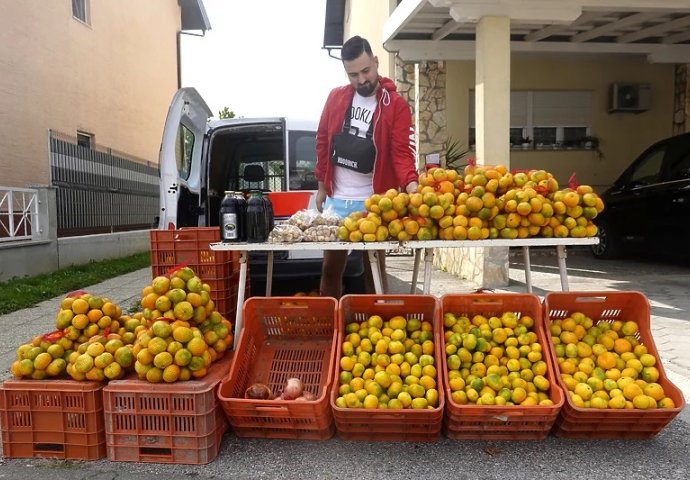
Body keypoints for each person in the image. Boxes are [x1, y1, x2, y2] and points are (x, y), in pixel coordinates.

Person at [314, 35, 419, 298]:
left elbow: (401, 153)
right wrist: (321, 187)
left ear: (375, 61)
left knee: (373, 268)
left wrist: (412, 186)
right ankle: (332, 329)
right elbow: (323, 140)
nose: (361, 79)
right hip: (337, 200)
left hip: (374, 200)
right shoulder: (336, 98)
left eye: (365, 70)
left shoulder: (395, 105)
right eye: (353, 74)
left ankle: (379, 328)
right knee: (330, 269)